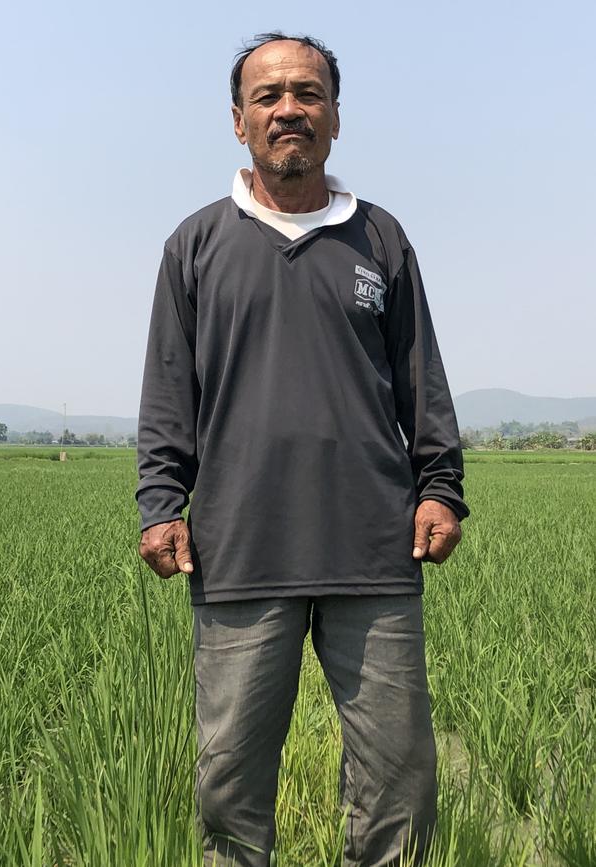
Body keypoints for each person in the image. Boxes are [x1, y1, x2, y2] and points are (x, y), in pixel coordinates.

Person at [136, 32, 469, 867]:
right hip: (240, 550)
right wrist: (158, 506)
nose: (290, 108)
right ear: (239, 120)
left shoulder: (380, 241)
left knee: (401, 786)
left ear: (335, 117)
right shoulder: (196, 246)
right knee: (231, 787)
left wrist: (442, 487)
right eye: (270, 95)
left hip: (373, 552)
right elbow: (168, 394)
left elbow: (421, 379)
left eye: (309, 94)